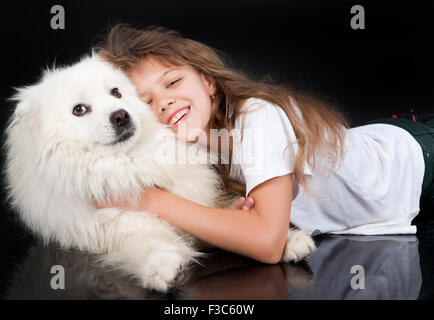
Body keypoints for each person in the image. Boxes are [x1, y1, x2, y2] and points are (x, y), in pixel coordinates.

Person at [94, 24, 434, 264]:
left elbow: (268, 244)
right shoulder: (191, 149)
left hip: (412, 159)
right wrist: (233, 216)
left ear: (209, 82)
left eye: (173, 81)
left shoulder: (257, 117)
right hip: (377, 136)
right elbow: (236, 223)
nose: (164, 102)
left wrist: (150, 200)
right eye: (147, 101)